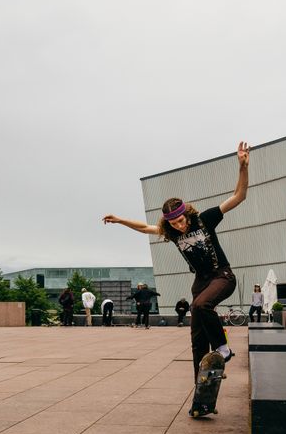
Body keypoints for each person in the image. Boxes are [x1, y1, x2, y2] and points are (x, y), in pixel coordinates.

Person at [104, 141, 249, 381]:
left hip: (222, 276)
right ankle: (202, 383)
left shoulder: (205, 220)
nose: (179, 227)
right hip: (200, 283)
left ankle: (223, 348)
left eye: (181, 221)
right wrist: (120, 220)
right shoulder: (170, 232)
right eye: (174, 224)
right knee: (196, 337)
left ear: (187, 214)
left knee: (202, 306)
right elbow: (144, 227)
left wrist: (243, 167)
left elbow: (239, 196)